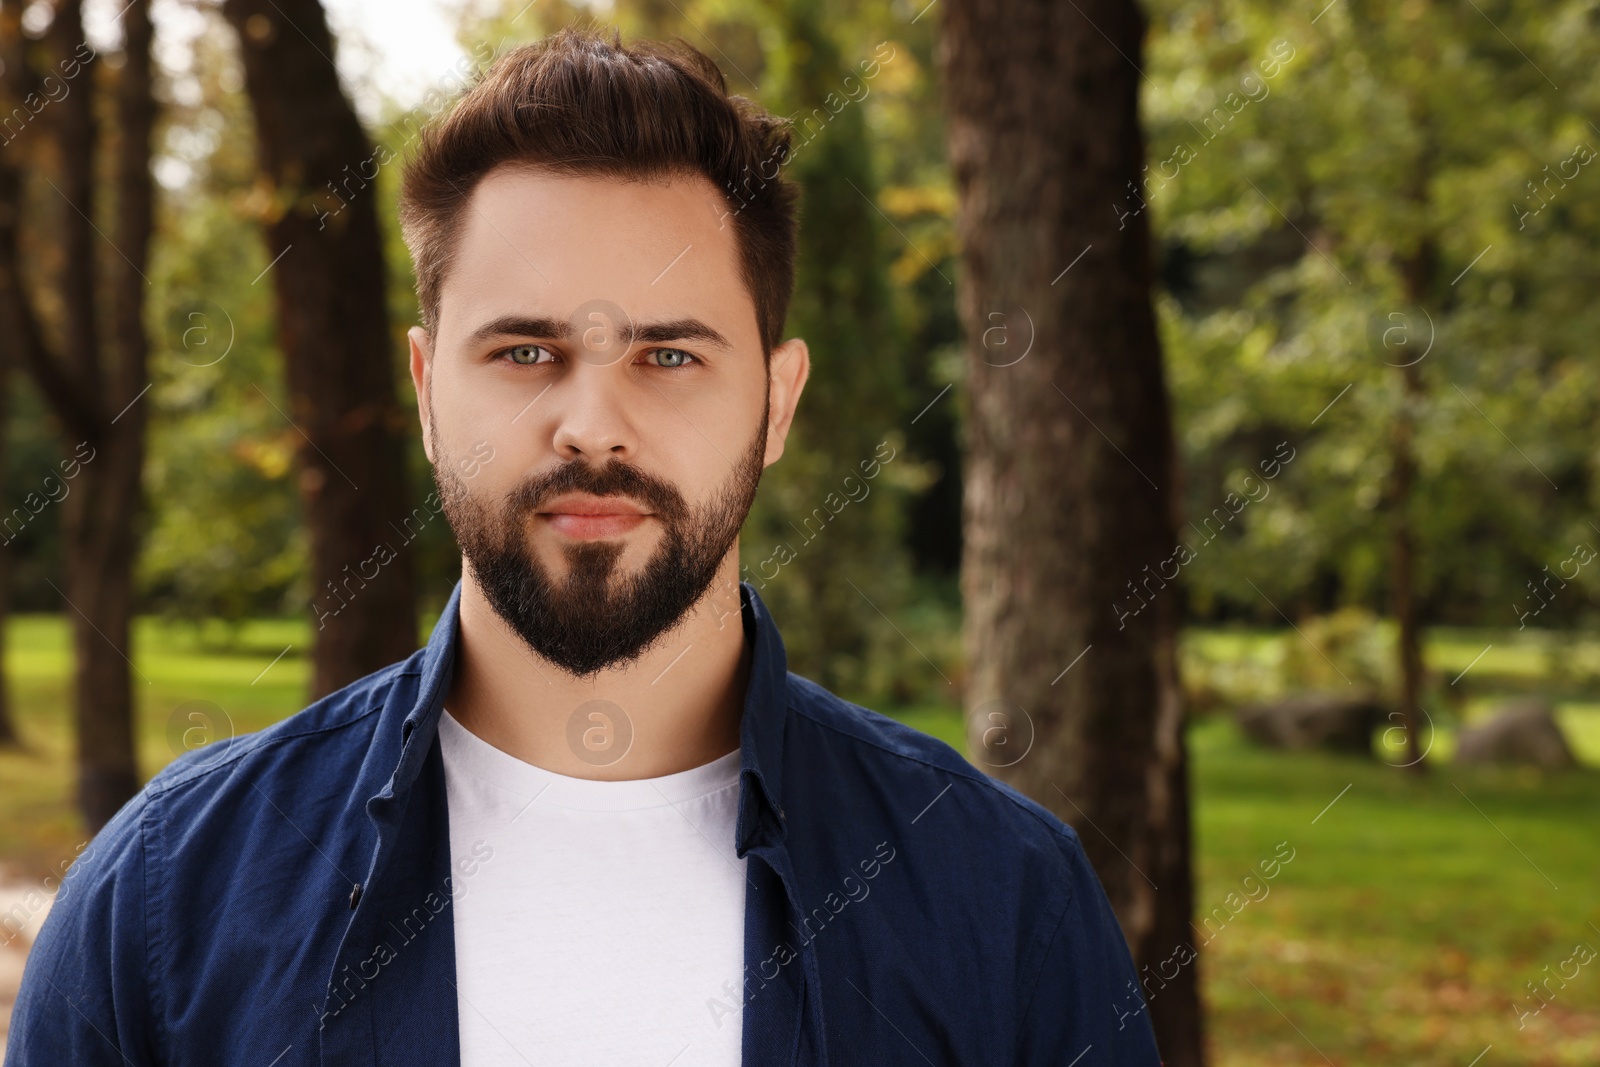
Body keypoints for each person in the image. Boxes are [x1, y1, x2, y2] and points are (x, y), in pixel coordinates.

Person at [7, 27, 1161, 1066]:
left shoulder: (1003, 902)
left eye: (669, 356)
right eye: (523, 352)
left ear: (777, 400)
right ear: (424, 388)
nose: (591, 424)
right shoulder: (168, 896)